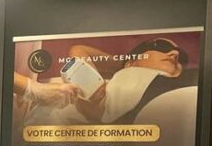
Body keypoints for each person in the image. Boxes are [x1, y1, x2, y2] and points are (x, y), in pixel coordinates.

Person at [66, 37, 196, 123]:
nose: (175, 54)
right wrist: (125, 64)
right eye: (162, 47)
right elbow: (79, 50)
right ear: (132, 62)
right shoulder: (128, 77)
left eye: (182, 59)